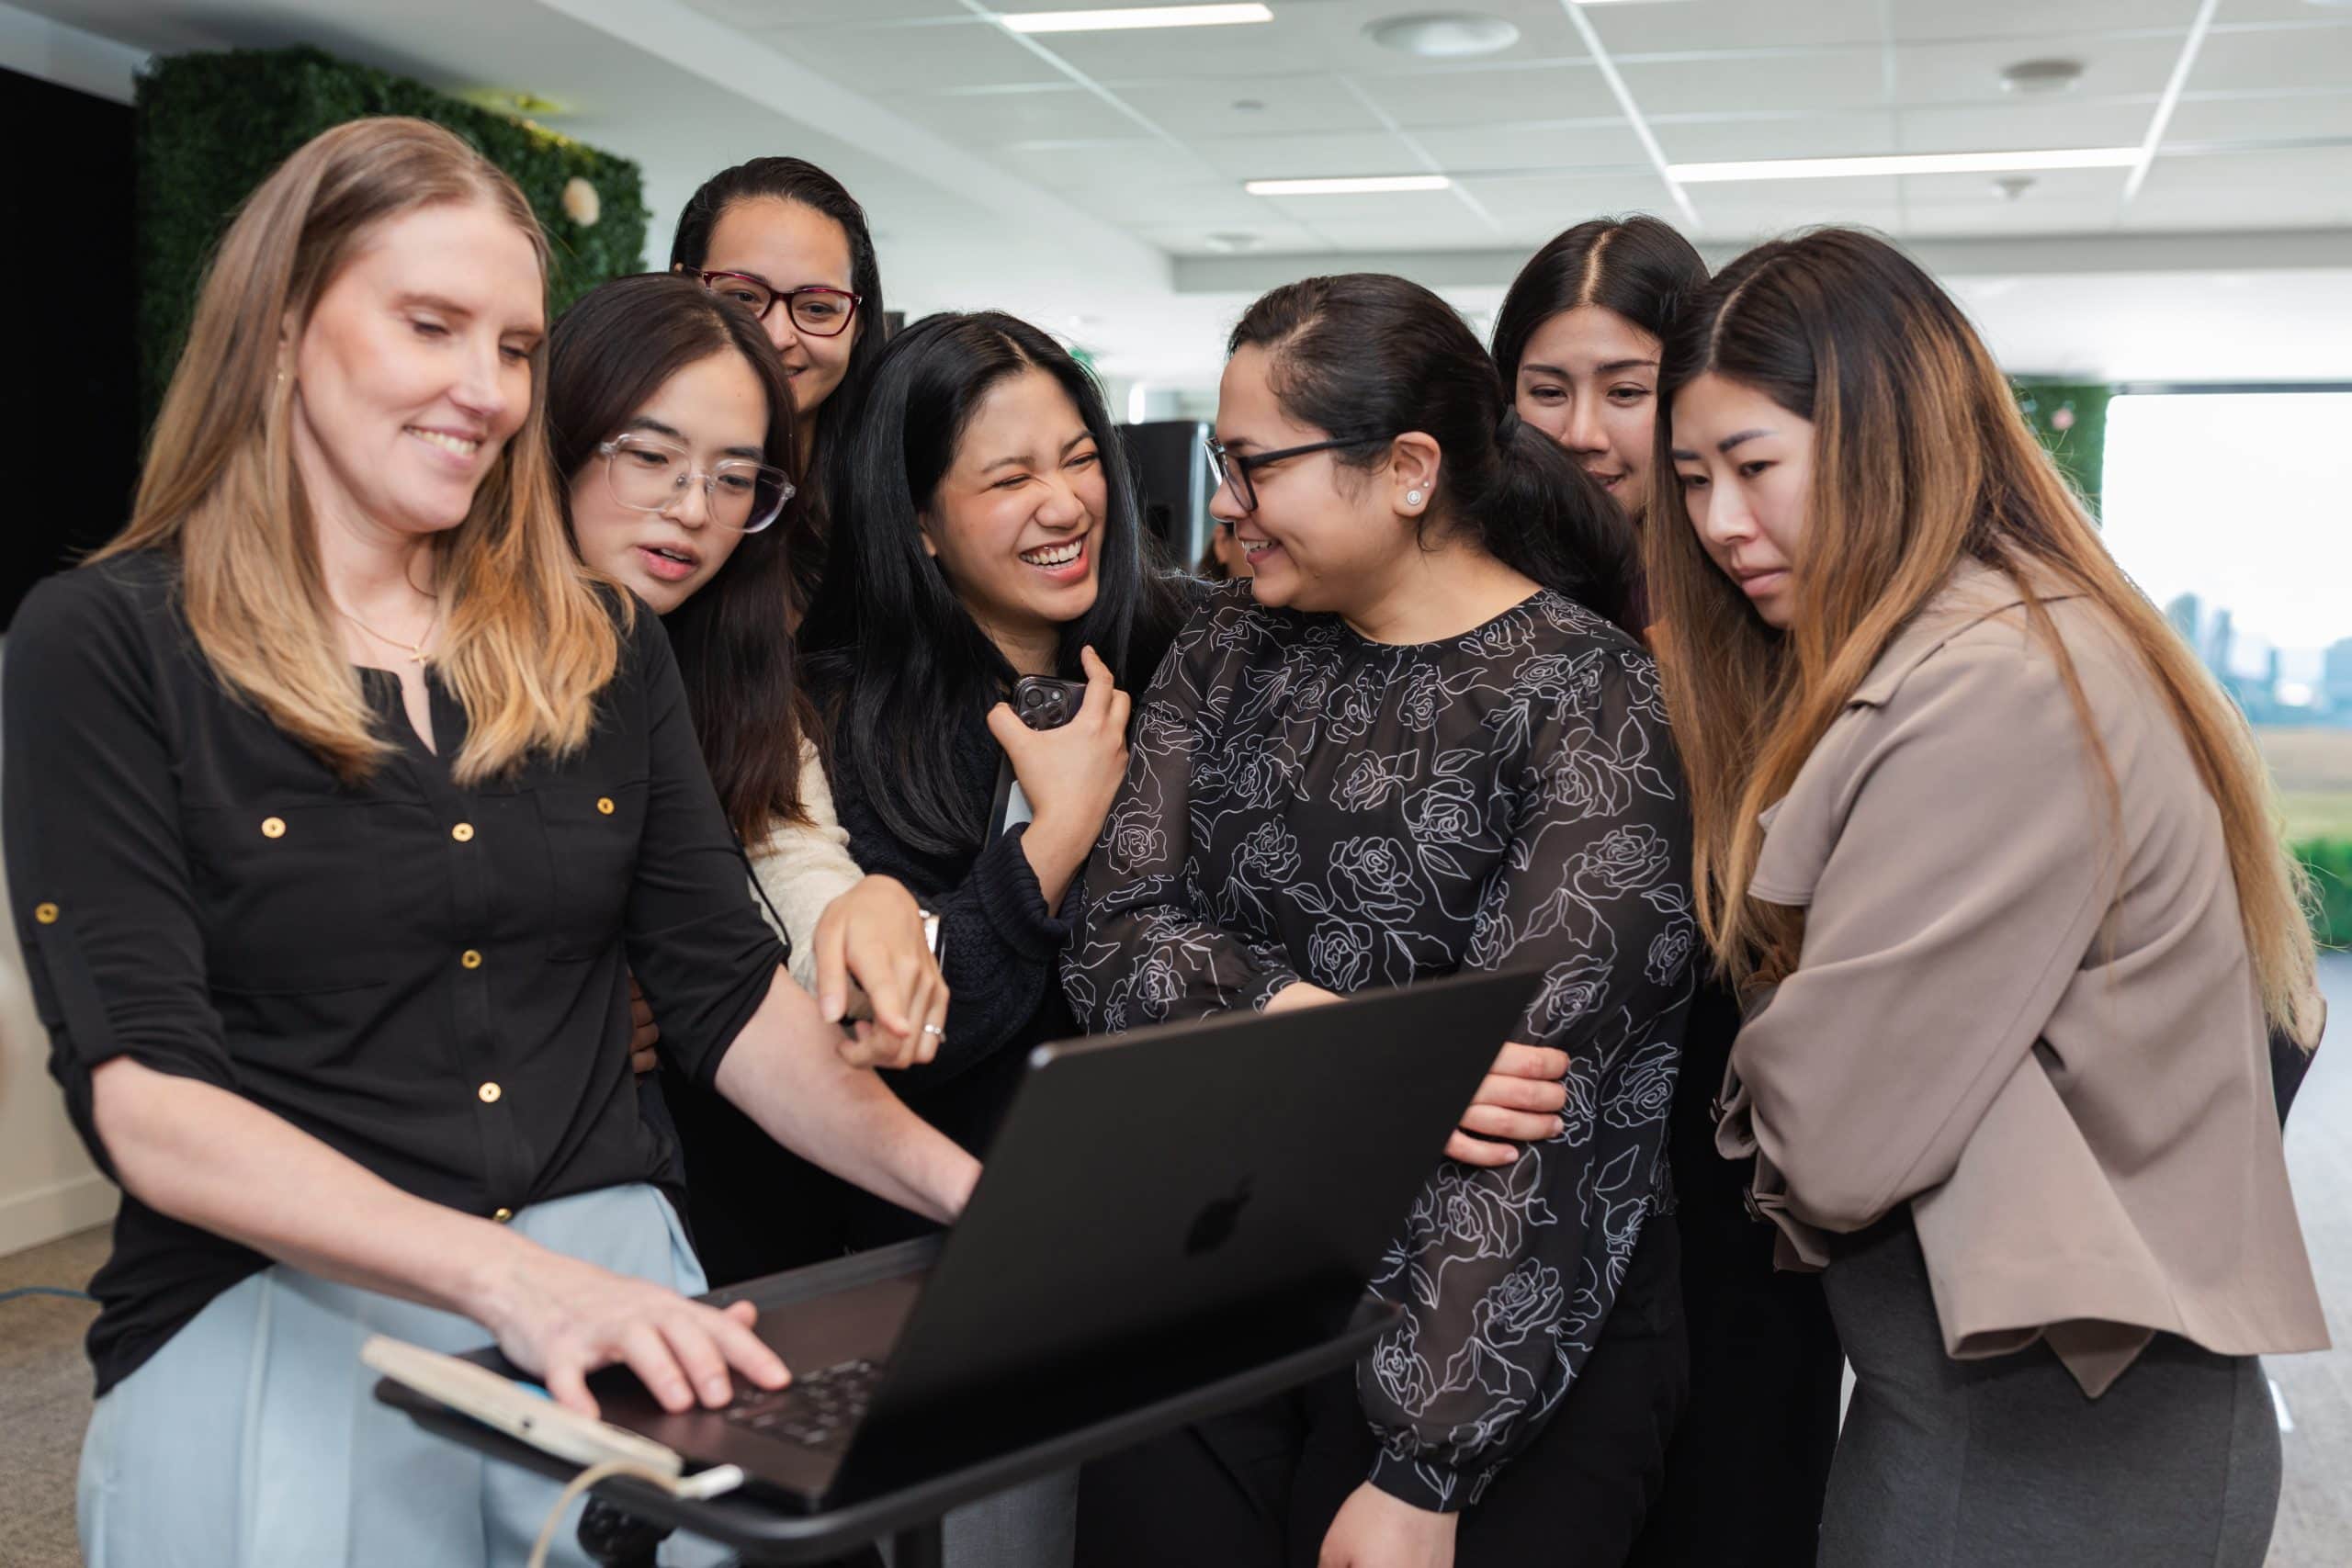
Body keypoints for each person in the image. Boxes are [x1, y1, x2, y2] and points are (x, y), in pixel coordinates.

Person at [3, 118, 977, 1568]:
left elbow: (726, 995)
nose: (484, 389)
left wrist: (985, 1199)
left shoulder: (599, 642)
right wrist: (510, 1280)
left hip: (613, 1285)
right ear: (279, 331)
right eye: (430, 325)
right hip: (278, 1298)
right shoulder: (108, 640)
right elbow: (150, 1100)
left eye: (515, 345)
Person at [1650, 227, 2326, 1567]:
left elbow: (1837, 1141)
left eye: (1754, 466)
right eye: (1694, 480)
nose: (1720, 522)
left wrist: (1769, 1039)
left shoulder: (1993, 685)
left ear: (1885, 436)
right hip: (2016, 1411)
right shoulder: (2003, 639)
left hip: (2048, 1446)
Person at [1068, 273, 1691, 1568]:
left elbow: (1540, 1113)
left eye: (1255, 467)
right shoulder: (1225, 648)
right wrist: (1328, 1033)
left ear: (1408, 468)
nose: (1226, 506)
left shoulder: (1592, 697)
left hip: (1482, 1339)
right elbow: (1111, 932)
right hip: (1213, 1282)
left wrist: (1426, 1461)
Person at [1494, 217, 1843, 1567]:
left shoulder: (1778, 614)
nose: (1584, 430)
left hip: (1734, 1171)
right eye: (1545, 387)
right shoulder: (1463, 610)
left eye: (1628, 391)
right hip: (1530, 1171)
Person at [547, 271, 950, 1280]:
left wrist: (869, 916)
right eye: (649, 458)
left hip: (627, 1180)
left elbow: (786, 848)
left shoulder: (704, 658)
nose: (693, 511)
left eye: (736, 479)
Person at [669, 154, 883, 604]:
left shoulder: (890, 517)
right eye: (743, 297)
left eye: (818, 307)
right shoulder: (616, 488)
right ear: (681, 291)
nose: (776, 336)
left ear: (858, 325)